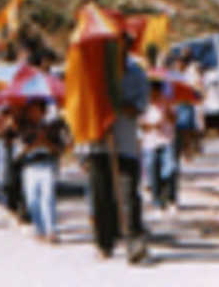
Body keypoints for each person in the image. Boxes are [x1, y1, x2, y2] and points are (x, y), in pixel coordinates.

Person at [83, 33, 150, 263]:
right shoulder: (96, 72)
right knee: (101, 196)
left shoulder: (137, 73)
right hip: (99, 143)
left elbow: (140, 107)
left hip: (125, 143)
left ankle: (134, 242)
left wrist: (117, 107)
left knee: (128, 195)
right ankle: (104, 243)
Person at [17, 99, 65, 242]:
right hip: (30, 166)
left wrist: (47, 143)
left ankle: (51, 230)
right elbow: (19, 152)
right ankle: (39, 228)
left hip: (47, 164)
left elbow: (60, 149)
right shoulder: (24, 129)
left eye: (36, 109)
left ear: (43, 111)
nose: (33, 113)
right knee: (32, 199)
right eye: (31, 110)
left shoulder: (52, 128)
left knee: (48, 197)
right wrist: (33, 145)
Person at [140, 80, 178, 214]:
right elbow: (141, 124)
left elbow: (174, 119)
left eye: (156, 91)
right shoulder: (144, 103)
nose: (154, 95)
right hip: (150, 142)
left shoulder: (166, 101)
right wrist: (152, 125)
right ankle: (157, 202)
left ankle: (171, 199)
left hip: (166, 140)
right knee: (153, 170)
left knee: (171, 168)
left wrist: (168, 113)